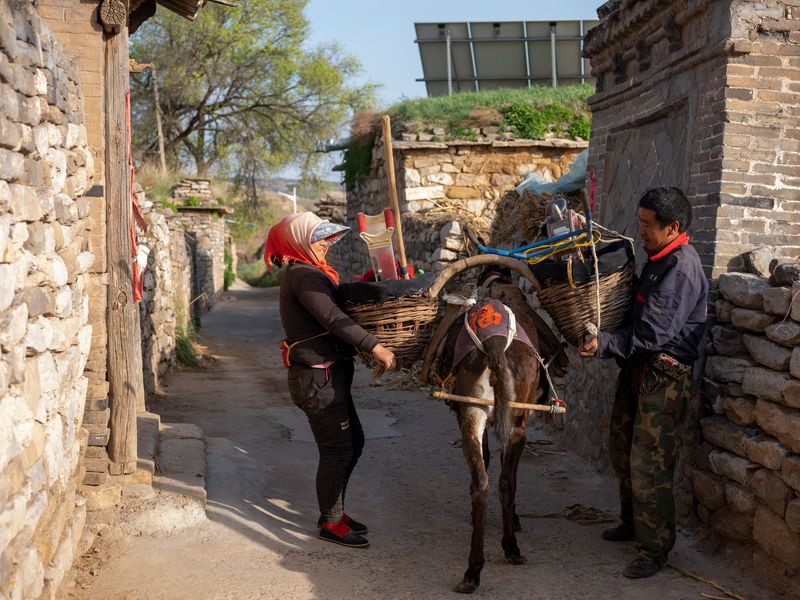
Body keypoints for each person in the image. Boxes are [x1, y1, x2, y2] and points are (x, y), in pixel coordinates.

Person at [578, 187, 708, 578]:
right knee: (622, 450)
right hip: (639, 371)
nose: (641, 232)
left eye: (648, 225)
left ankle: (654, 550)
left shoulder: (681, 268)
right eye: (640, 222)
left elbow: (653, 333)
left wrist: (604, 343)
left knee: (650, 466)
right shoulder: (658, 259)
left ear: (673, 227)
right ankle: (632, 523)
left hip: (664, 380)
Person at [265, 212, 397, 549]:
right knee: (338, 448)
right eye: (318, 238)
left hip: (327, 376)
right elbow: (333, 318)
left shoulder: (311, 273)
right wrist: (375, 346)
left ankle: (334, 511)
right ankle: (331, 522)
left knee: (354, 442)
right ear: (298, 242)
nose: (325, 244)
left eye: (326, 238)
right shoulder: (304, 277)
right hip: (317, 379)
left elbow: (335, 308)